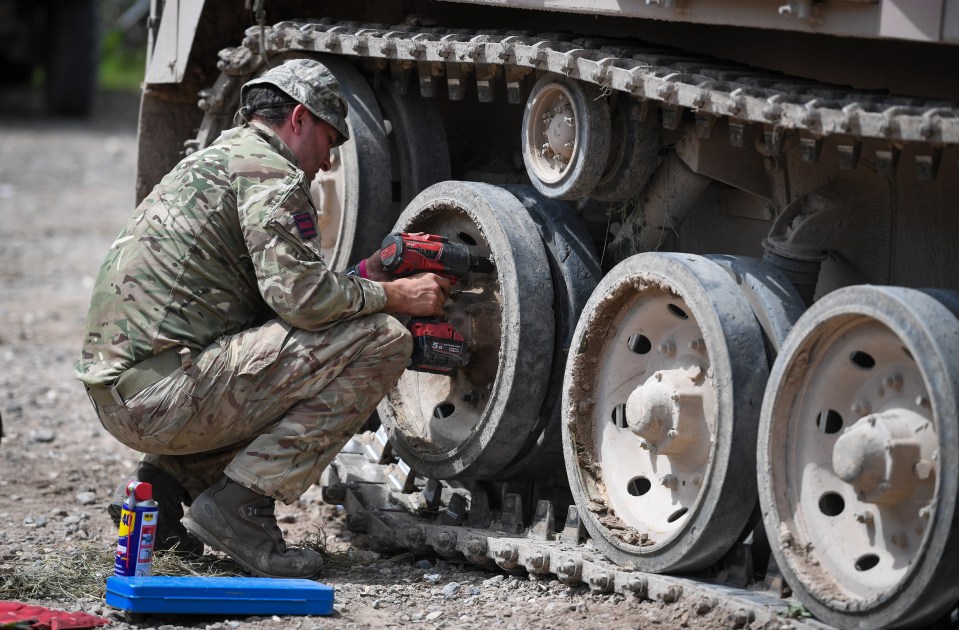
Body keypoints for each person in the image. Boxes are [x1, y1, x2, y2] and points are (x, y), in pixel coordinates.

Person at [76, 58, 450, 579]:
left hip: (125, 393)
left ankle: (159, 498)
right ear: (299, 119)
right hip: (161, 403)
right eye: (330, 139)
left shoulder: (216, 160)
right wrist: (393, 295)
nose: (328, 159)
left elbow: (266, 308)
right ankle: (240, 509)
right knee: (381, 339)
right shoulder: (271, 174)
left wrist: (359, 280)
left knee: (279, 362)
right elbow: (303, 303)